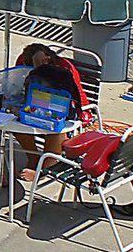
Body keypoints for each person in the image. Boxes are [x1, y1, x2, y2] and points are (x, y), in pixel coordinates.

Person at [9, 43, 87, 180]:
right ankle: (33, 159)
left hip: (64, 107)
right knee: (16, 120)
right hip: (39, 103)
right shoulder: (24, 61)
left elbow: (74, 96)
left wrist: (41, 65)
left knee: (55, 128)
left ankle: (45, 170)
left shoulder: (63, 68)